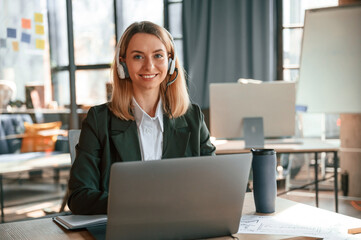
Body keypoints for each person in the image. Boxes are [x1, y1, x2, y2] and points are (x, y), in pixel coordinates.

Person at [67, 21, 216, 215]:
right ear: (123, 63)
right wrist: (144, 205)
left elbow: (213, 185)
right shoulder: (99, 120)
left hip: (183, 226)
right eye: (138, 56)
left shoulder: (193, 118)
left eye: (158, 55)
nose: (149, 65)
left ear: (170, 63)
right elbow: (79, 196)